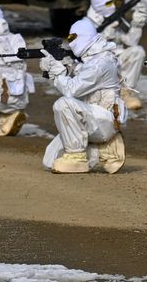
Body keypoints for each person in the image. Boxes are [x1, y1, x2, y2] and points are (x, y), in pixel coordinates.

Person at [40, 18, 127, 174]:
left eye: (73, 37)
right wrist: (64, 67)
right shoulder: (89, 60)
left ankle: (77, 156)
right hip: (92, 117)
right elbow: (80, 80)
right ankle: (104, 150)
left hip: (105, 120)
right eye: (69, 38)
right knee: (49, 161)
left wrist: (57, 72)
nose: (71, 42)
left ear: (85, 36)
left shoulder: (100, 63)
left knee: (63, 104)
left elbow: (72, 90)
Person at [86, 0, 147, 111]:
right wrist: (108, 32)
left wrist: (137, 22)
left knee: (137, 51)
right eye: (107, 4)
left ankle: (126, 93)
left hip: (115, 57)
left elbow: (131, 41)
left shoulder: (114, 16)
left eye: (111, 2)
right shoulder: (87, 23)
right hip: (96, 61)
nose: (111, 6)